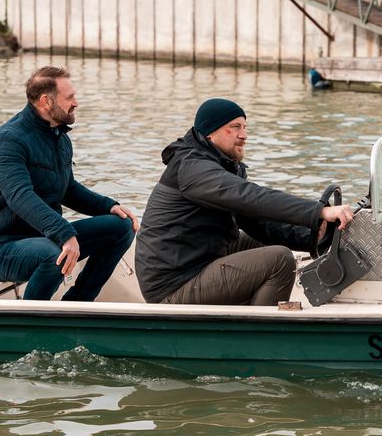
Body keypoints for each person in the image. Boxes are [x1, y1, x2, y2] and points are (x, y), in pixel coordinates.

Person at [135, 98, 353, 306]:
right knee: (279, 260)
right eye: (235, 127)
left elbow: (256, 221)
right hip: (173, 285)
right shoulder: (193, 168)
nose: (244, 135)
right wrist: (319, 212)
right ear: (211, 132)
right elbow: (251, 197)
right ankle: (259, 336)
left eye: (245, 127)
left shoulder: (219, 164)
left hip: (197, 258)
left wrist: (313, 235)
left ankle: (249, 308)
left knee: (259, 241)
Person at [0, 65, 139, 301]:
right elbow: (20, 196)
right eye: (69, 97)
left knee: (121, 226)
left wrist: (109, 206)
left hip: (45, 236)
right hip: (1, 248)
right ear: (45, 101)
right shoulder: (8, 140)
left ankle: (77, 304)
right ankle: (31, 323)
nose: (76, 103)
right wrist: (64, 233)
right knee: (54, 254)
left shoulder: (59, 137)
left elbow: (68, 189)